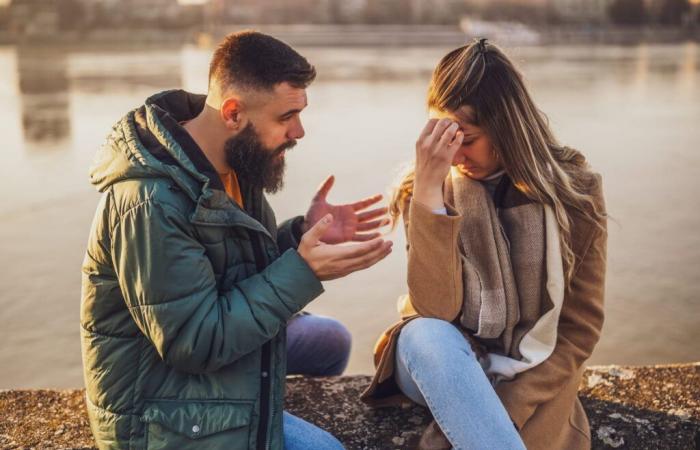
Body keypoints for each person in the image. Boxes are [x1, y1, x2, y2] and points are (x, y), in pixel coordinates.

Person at [80, 30, 393, 450]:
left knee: (328, 340)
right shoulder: (150, 202)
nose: (299, 132)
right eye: (286, 117)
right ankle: (251, 419)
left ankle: (259, 410)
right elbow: (196, 342)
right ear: (232, 114)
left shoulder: (233, 164)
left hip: (198, 362)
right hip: (160, 408)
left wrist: (300, 236)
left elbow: (237, 274)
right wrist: (302, 271)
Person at [362, 38, 607, 450]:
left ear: (506, 128)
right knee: (427, 334)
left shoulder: (575, 194)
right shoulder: (424, 188)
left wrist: (509, 405)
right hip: (439, 362)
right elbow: (435, 310)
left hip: (530, 368)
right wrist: (427, 192)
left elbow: (580, 329)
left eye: (467, 138)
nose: (454, 153)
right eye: (445, 136)